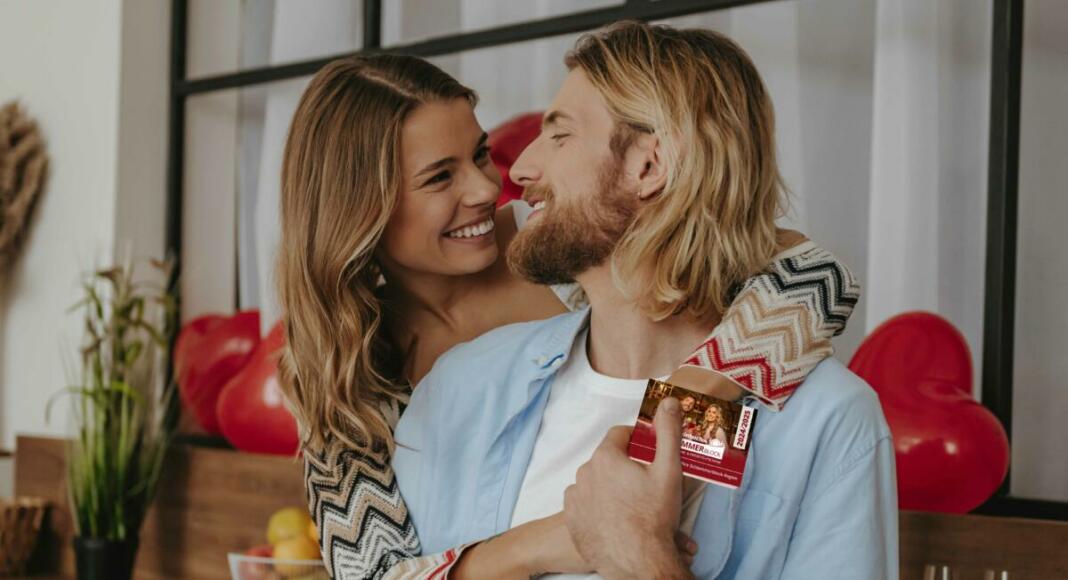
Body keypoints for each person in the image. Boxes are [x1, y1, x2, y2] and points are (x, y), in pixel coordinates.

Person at [276, 50, 861, 579]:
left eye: (479, 154)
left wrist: (691, 397)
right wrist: (556, 541)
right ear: (360, 211)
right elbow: (374, 574)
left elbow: (820, 277)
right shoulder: (353, 376)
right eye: (439, 177)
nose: (487, 187)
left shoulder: (550, 243)